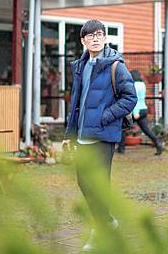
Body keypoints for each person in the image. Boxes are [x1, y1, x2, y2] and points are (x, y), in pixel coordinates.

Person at [62, 19, 137, 252]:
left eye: (99, 34)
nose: (95, 38)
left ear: (105, 38)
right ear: (83, 41)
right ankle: (108, 222)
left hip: (103, 136)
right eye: (90, 35)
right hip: (83, 137)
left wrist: (105, 116)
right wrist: (69, 135)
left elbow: (130, 98)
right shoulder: (81, 66)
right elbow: (76, 104)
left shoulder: (116, 66)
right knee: (84, 183)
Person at [117, 70, 164, 155]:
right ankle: (158, 144)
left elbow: (134, 99)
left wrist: (135, 111)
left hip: (135, 110)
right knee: (146, 130)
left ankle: (121, 148)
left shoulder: (133, 85)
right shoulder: (142, 85)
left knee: (123, 128)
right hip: (143, 109)